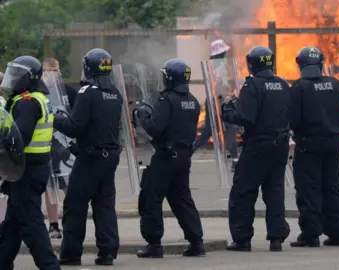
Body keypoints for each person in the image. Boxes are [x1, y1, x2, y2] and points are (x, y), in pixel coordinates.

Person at [54, 48, 122, 266]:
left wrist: (55, 119)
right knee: (104, 205)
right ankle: (107, 252)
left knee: (75, 205)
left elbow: (75, 126)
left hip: (91, 158)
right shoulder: (115, 93)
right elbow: (103, 126)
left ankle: (71, 254)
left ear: (88, 67)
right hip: (109, 157)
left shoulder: (87, 92)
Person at [222, 45, 291, 252]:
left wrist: (227, 110)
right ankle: (276, 238)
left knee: (243, 191)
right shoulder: (283, 84)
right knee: (275, 191)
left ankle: (242, 239)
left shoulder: (252, 86)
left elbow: (246, 118)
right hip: (280, 145)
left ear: (252, 64)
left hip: (258, 146)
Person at [134, 59, 205, 258]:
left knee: (151, 198)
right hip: (183, 157)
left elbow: (156, 128)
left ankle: (154, 245)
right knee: (182, 199)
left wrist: (142, 116)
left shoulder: (167, 100)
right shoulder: (193, 101)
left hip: (165, 156)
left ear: (170, 77)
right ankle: (196, 241)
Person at [0, 55, 60, 269]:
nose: (12, 79)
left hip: (25, 171)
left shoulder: (27, 103)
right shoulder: (38, 97)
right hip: (30, 169)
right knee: (11, 226)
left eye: (17, 75)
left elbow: (18, 139)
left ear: (28, 77)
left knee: (31, 226)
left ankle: (50, 266)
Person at [288, 46, 339, 247]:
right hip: (332, 142)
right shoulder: (335, 84)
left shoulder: (299, 87)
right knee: (332, 186)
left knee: (308, 188)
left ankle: (311, 234)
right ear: (321, 64)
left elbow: (293, 119)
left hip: (308, 144)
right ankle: (337, 232)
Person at [42, 58, 78, 239]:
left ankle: (71, 222)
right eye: (48, 70)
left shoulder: (69, 92)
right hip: (46, 144)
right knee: (50, 187)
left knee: (68, 185)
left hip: (65, 145)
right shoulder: (39, 93)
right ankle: (53, 225)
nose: (51, 74)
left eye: (54, 70)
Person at [193, 39, 239, 170]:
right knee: (229, 128)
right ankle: (235, 160)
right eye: (224, 51)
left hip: (212, 100)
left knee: (208, 131)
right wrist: (230, 96)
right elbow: (220, 85)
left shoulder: (211, 64)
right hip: (219, 101)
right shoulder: (218, 66)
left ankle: (188, 153)